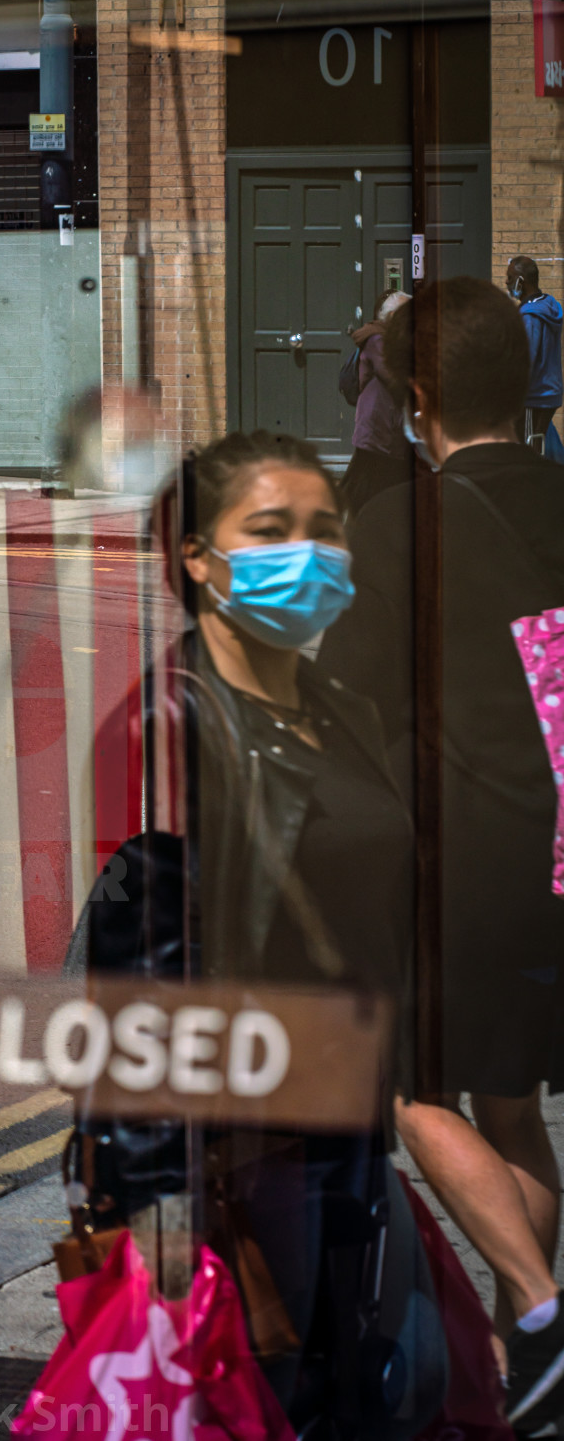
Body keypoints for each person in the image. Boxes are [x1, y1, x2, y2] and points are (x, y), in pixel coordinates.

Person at [70, 432, 447, 1437]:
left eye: (325, 530)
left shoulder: (343, 708)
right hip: (241, 1159)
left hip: (346, 1129)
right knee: (261, 1399)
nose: (310, 554)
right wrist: (181, 1224)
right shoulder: (167, 722)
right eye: (272, 530)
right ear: (197, 555)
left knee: (342, 1390)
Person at [320, 275, 564, 1434]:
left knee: (415, 1092)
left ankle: (543, 1312)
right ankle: (533, 1371)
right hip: (557, 863)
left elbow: (342, 699)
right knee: (509, 1107)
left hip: (463, 865)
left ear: (414, 399)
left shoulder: (398, 526)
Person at [338, 289, 412, 518]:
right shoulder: (378, 339)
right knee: (369, 481)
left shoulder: (394, 338)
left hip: (388, 425)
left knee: (372, 478)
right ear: (392, 317)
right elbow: (394, 375)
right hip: (378, 424)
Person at [507, 255, 563, 456]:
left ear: (521, 281)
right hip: (548, 391)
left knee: (530, 450)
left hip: (534, 395)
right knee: (540, 441)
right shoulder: (547, 304)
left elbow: (526, 361)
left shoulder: (531, 316)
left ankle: (535, 486)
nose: (507, 283)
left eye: (510, 277)